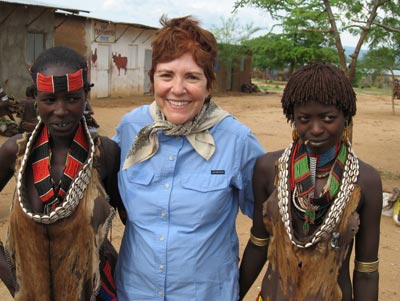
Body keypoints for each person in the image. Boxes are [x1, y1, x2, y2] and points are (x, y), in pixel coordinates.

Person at [113, 15, 265, 300]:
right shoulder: (130, 129)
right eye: (167, 75)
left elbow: (268, 220)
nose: (178, 89)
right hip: (134, 292)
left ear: (209, 85)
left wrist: (235, 288)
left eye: (192, 77)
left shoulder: (237, 140)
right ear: (152, 79)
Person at [239, 62, 382, 301]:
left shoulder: (366, 180)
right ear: (292, 118)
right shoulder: (268, 168)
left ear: (346, 116)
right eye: (304, 118)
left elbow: (367, 270)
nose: (315, 129)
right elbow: (258, 243)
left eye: (328, 118)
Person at [0, 46, 125, 300]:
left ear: (85, 95)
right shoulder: (15, 151)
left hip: (96, 292)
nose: (60, 110)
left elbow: (132, 220)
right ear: (35, 97)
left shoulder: (105, 154)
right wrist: (15, 280)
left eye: (72, 98)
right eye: (49, 100)